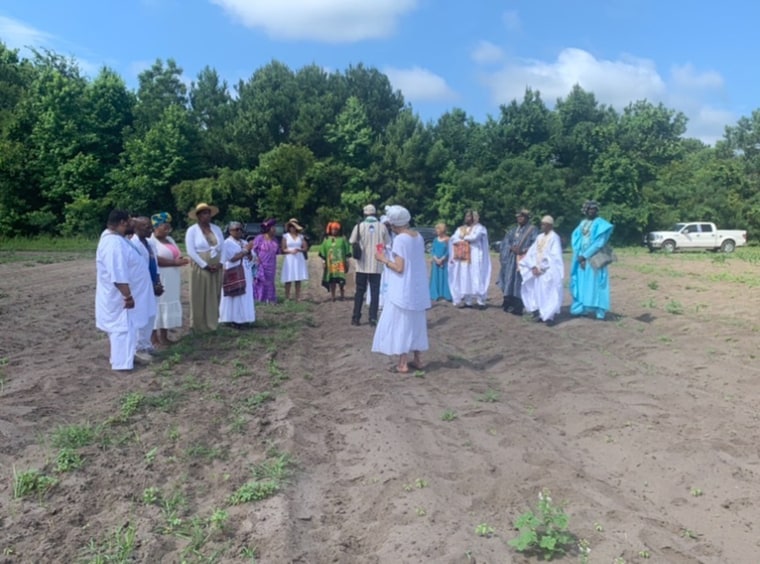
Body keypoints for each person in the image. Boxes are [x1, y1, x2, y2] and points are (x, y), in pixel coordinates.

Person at [372, 205, 431, 373]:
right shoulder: (418, 236)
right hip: (418, 287)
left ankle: (403, 363)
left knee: (402, 323)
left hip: (403, 288)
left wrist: (383, 259)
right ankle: (418, 359)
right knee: (417, 323)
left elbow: (399, 267)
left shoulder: (400, 240)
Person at [95, 209, 150, 371]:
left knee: (128, 329)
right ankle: (121, 365)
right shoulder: (113, 244)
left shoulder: (119, 239)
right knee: (122, 329)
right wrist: (127, 296)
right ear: (122, 223)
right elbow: (118, 273)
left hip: (126, 295)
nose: (134, 223)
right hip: (120, 297)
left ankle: (127, 358)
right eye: (131, 220)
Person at [570, 200, 614, 320]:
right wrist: (580, 256)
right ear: (585, 211)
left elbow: (599, 243)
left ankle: (600, 311)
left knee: (598, 283)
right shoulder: (582, 223)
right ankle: (583, 309)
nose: (591, 211)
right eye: (589, 209)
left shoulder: (601, 224)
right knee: (582, 282)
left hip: (595, 257)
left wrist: (585, 255)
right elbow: (577, 239)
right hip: (581, 258)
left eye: (594, 209)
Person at [150, 212, 188, 347]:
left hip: (172, 277)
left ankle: (164, 336)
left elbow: (176, 254)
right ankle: (154, 339)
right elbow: (155, 259)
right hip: (160, 277)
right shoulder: (151, 241)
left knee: (168, 304)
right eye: (164, 226)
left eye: (168, 226)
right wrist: (174, 263)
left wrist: (179, 261)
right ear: (155, 227)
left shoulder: (170, 240)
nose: (167, 229)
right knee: (157, 305)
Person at [186, 202, 224, 331]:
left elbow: (222, 247)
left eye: (208, 213)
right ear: (198, 216)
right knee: (199, 293)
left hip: (216, 266)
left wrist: (220, 263)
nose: (206, 216)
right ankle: (198, 324)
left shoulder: (216, 229)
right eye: (203, 213)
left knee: (214, 293)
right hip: (200, 266)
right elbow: (191, 251)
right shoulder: (192, 230)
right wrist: (205, 265)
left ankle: (212, 322)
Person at [519, 216, 564, 325]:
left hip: (547, 271)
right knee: (538, 293)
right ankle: (541, 314)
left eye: (544, 224)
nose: (542, 226)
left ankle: (549, 317)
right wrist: (533, 266)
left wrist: (542, 268)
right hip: (537, 271)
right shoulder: (539, 237)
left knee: (548, 293)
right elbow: (531, 253)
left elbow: (555, 257)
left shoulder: (554, 237)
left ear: (550, 225)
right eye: (541, 224)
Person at [349, 204, 390, 326]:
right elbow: (388, 242)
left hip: (362, 264)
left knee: (360, 292)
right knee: (375, 291)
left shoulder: (359, 226)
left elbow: (351, 241)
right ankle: (373, 318)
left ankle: (356, 317)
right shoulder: (382, 227)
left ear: (365, 214)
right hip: (377, 264)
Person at [128, 216, 162, 356]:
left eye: (150, 227)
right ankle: (138, 347)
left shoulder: (150, 243)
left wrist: (158, 281)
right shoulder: (132, 244)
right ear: (136, 228)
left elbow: (155, 264)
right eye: (146, 227)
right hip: (140, 286)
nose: (151, 230)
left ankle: (146, 344)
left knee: (151, 314)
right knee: (141, 315)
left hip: (153, 283)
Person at [448, 210, 491, 309]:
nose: (466, 218)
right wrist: (464, 238)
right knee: (465, 277)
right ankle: (468, 301)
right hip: (464, 256)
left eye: (468, 216)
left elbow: (474, 237)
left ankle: (481, 301)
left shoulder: (480, 228)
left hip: (476, 256)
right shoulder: (461, 228)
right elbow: (453, 238)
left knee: (477, 276)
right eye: (466, 216)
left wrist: (463, 237)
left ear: (473, 218)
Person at [497, 209, 537, 315]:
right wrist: (511, 247)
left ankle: (518, 305)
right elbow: (506, 242)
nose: (519, 218)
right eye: (518, 216)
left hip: (524, 260)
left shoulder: (532, 230)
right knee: (509, 279)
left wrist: (523, 250)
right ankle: (508, 302)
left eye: (522, 216)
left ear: (527, 218)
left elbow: (536, 244)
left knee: (520, 281)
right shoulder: (513, 230)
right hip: (511, 260)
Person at [219, 221, 256, 327]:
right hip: (233, 271)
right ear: (230, 231)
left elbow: (252, 257)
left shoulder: (244, 242)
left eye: (241, 229)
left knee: (245, 294)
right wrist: (245, 250)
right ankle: (232, 319)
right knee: (234, 294)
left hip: (246, 271)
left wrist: (249, 253)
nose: (239, 231)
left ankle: (244, 318)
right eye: (236, 229)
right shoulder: (227, 243)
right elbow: (232, 258)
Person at [319, 222, 351, 301]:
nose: (334, 231)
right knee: (332, 280)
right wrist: (323, 262)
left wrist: (347, 262)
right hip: (331, 263)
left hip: (340, 263)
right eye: (333, 229)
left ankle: (342, 295)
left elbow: (347, 251)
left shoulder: (342, 239)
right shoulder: (326, 240)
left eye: (336, 230)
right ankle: (333, 296)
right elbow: (323, 251)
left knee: (341, 281)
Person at [280, 218, 309, 301]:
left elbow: (305, 247)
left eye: (294, 226)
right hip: (289, 258)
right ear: (289, 227)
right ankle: (287, 297)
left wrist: (299, 250)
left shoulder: (301, 236)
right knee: (288, 278)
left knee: (298, 278)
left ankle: (298, 297)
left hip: (298, 257)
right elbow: (283, 248)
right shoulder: (285, 236)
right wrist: (290, 251)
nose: (292, 228)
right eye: (291, 226)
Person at [252, 218, 280, 304]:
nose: (274, 229)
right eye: (273, 227)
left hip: (271, 264)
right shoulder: (259, 238)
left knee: (270, 281)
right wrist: (257, 259)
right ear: (268, 228)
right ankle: (259, 297)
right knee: (260, 281)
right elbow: (253, 250)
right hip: (261, 263)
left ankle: (270, 298)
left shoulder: (275, 240)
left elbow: (277, 252)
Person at [429, 222, 452, 301]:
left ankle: (445, 295)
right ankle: (435, 294)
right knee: (435, 278)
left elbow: (449, 251)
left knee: (445, 278)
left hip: (444, 262)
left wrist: (442, 259)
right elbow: (433, 250)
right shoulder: (435, 240)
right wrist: (436, 259)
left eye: (438, 229)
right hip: (436, 262)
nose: (436, 231)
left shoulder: (448, 240)